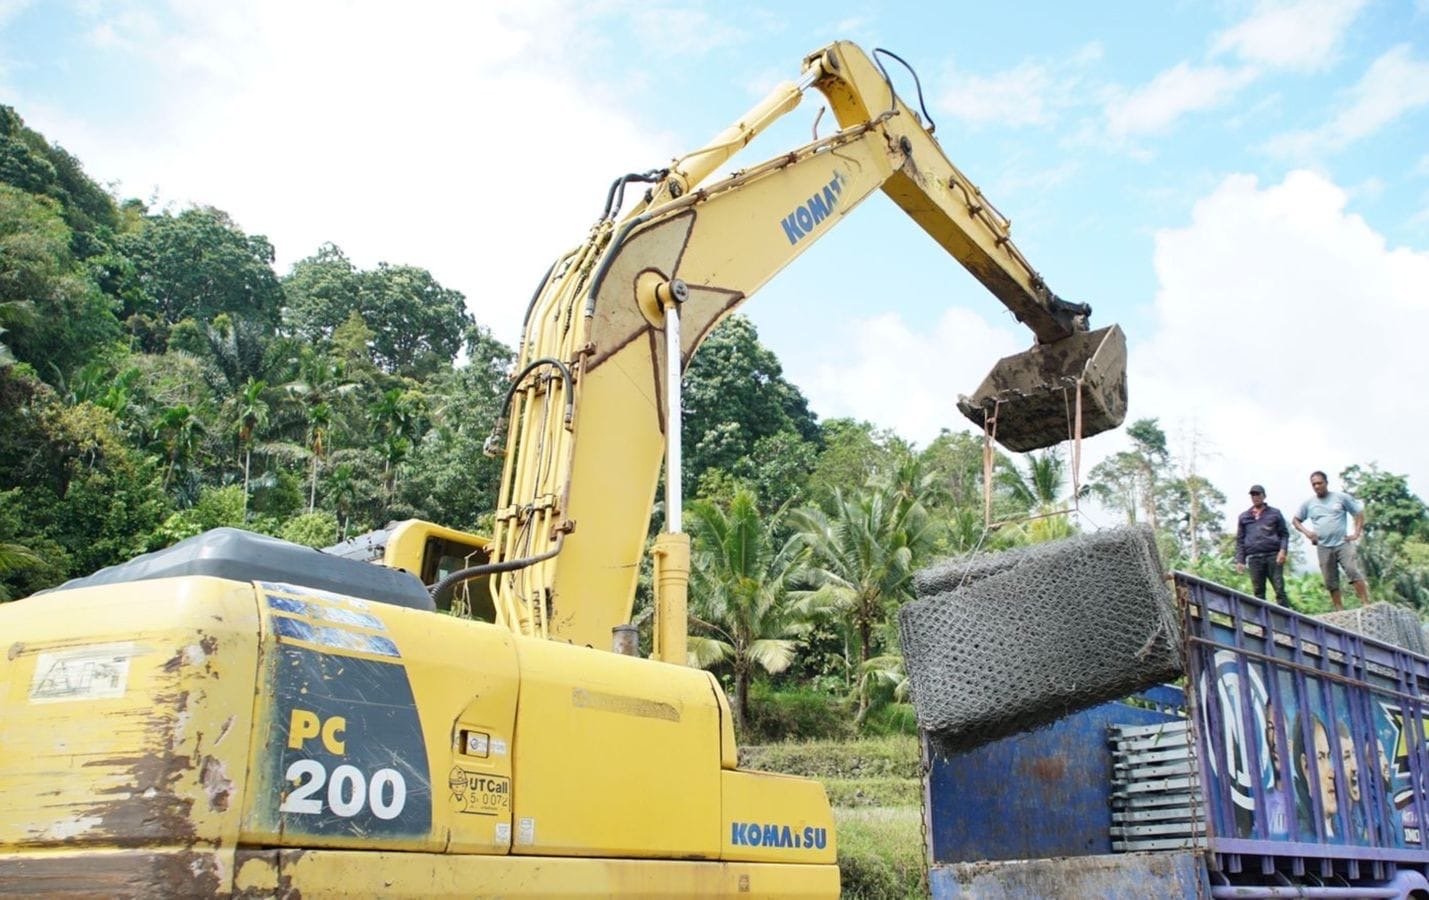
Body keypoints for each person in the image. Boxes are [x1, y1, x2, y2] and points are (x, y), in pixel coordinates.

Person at [1292, 471, 1367, 611]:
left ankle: (1365, 603)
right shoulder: (1309, 504)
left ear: (1326, 483)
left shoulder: (1340, 498)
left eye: (1319, 483)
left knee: (1352, 571)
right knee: (1330, 580)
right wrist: (1308, 533)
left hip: (1342, 543)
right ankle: (1339, 609)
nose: (1317, 486)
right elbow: (1296, 521)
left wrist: (1356, 533)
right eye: (1314, 484)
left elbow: (1358, 512)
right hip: (1323, 546)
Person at [1236, 485, 1290, 604]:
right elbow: (1240, 540)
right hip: (1254, 558)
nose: (1255, 497)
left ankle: (1285, 619)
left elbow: (1284, 534)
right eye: (1253, 495)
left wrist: (1283, 551)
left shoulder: (1275, 513)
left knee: (1279, 588)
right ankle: (1262, 622)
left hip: (1273, 556)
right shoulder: (1244, 517)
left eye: (1258, 494)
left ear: (1264, 496)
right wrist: (1240, 560)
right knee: (1258, 591)